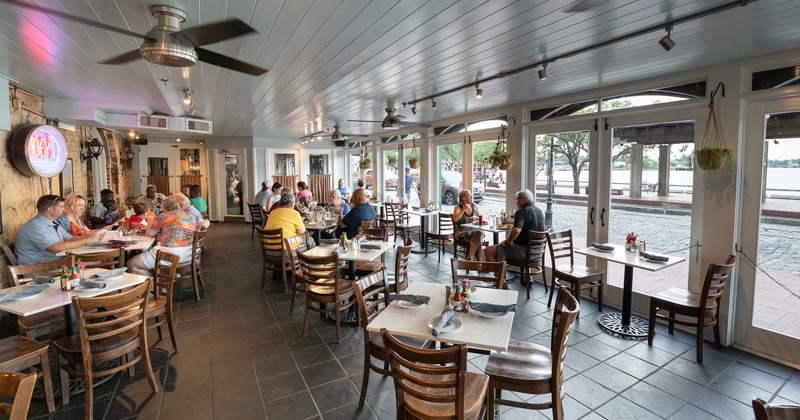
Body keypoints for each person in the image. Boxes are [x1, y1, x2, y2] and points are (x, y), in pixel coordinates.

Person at [127, 195, 204, 275]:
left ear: (165, 207)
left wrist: (150, 219)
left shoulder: (163, 216)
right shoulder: (191, 216)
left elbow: (149, 234)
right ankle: (167, 277)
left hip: (170, 254)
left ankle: (154, 282)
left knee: (132, 264)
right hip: (190, 253)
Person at [15, 195, 97, 265]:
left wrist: (89, 237)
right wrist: (87, 240)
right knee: (93, 264)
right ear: (50, 209)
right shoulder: (35, 226)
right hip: (38, 268)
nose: (64, 209)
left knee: (95, 262)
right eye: (62, 207)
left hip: (55, 263)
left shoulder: (53, 222)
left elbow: (69, 238)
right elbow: (55, 247)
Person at [485, 189, 545, 265]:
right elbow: (528, 224)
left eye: (517, 199)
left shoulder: (521, 211)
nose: (516, 202)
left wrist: (507, 242)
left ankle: (500, 272)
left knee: (489, 250)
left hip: (523, 252)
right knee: (501, 248)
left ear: (522, 199)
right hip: (538, 252)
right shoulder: (539, 211)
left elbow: (516, 231)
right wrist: (512, 222)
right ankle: (501, 270)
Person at [452, 190, 484, 261]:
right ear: (463, 198)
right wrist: (463, 209)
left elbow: (481, 217)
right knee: (478, 240)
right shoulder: (458, 208)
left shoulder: (474, 206)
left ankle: (470, 257)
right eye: (469, 195)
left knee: (479, 233)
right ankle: (479, 263)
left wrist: (475, 218)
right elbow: (455, 219)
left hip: (474, 231)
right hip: (462, 233)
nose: (471, 197)